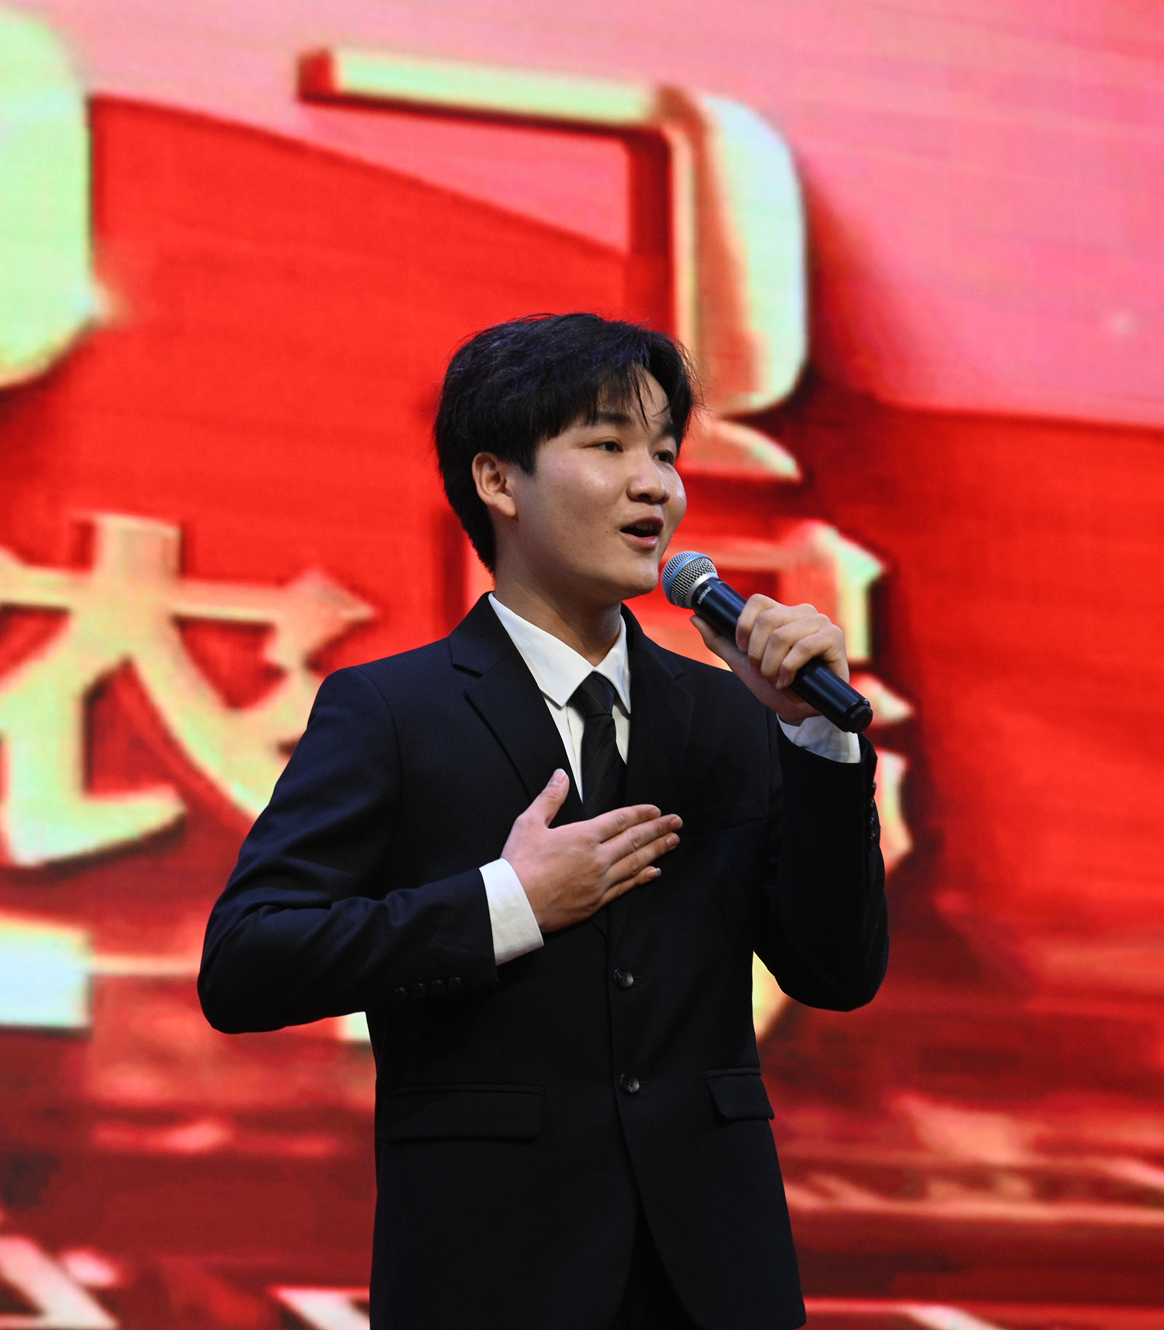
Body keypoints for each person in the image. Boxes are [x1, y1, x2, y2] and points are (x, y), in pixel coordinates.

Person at [198, 313, 887, 1329]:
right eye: (607, 446)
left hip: (713, 1280)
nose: (653, 485)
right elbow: (246, 961)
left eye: (665, 453)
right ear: (497, 479)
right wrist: (507, 904)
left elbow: (837, 970)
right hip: (493, 1277)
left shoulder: (730, 716)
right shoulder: (392, 712)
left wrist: (815, 739)